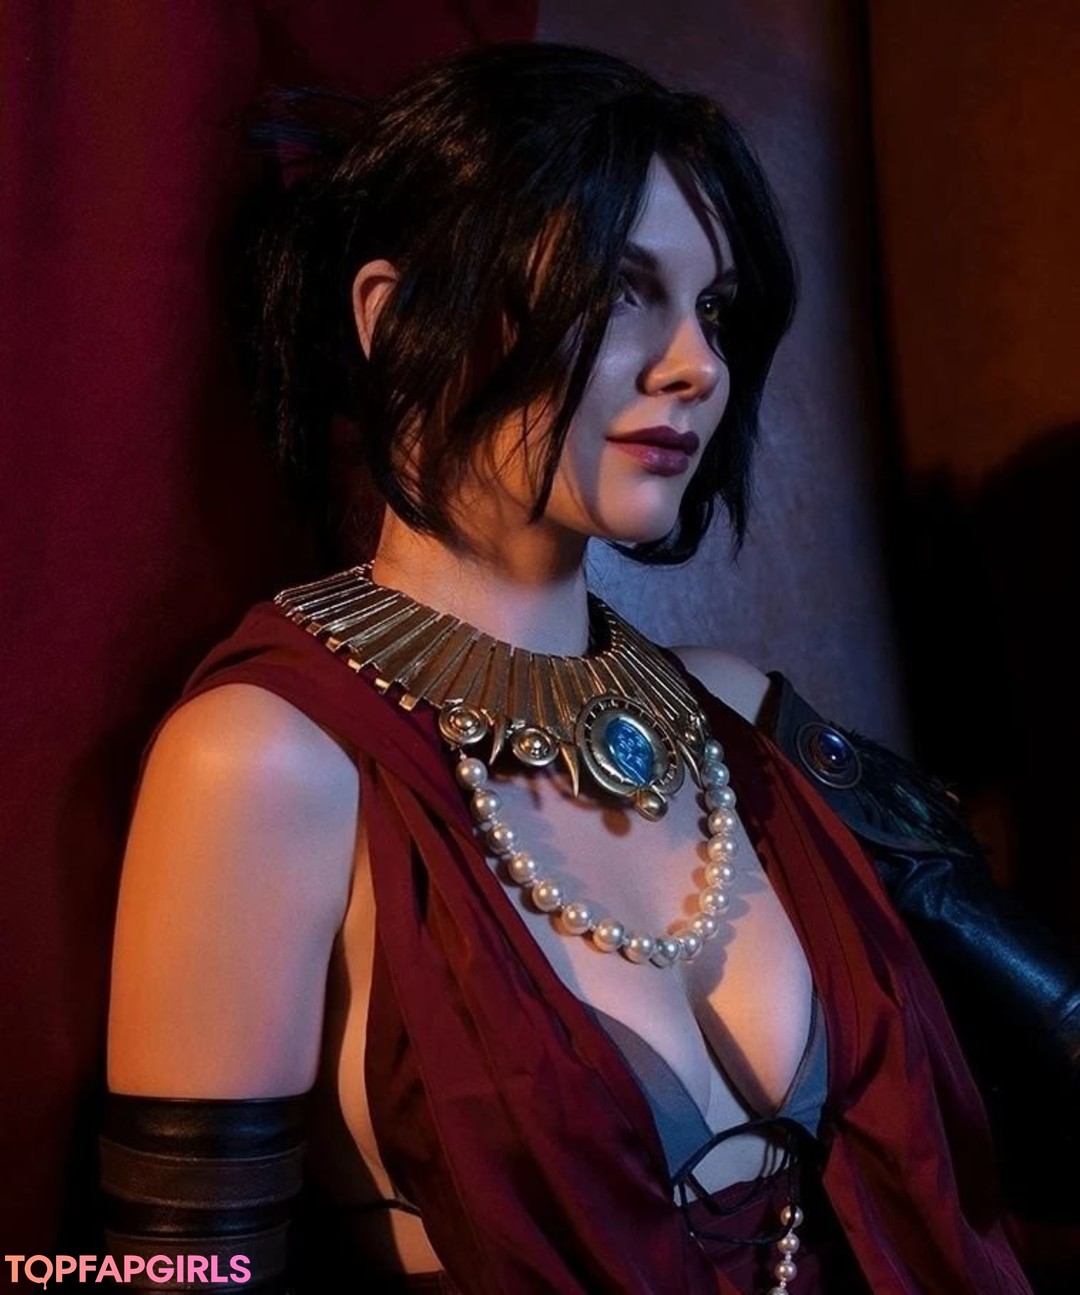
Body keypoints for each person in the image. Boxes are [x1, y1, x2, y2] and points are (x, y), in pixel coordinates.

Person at [101, 42, 1055, 1294]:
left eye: (714, 310)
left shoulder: (744, 718)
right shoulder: (265, 761)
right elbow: (170, 1277)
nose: (698, 364)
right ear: (395, 317)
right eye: (619, 292)